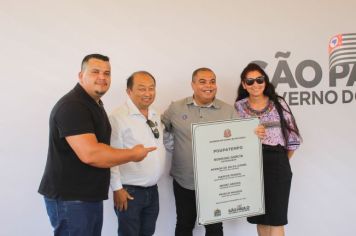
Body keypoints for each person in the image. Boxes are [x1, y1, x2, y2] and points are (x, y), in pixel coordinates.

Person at [38, 54, 156, 236]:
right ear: (81, 75)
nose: (102, 77)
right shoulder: (73, 106)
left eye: (107, 73)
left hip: (86, 197)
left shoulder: (94, 104)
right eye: (95, 72)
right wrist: (133, 154)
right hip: (71, 199)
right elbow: (91, 154)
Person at [161, 67, 265, 236]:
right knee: (184, 225)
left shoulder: (227, 110)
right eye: (202, 82)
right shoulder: (176, 108)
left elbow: (241, 139)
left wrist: (255, 133)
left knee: (215, 228)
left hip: (217, 182)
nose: (208, 86)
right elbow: (158, 127)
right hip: (184, 180)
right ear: (193, 85)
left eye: (212, 81)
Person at [234, 63, 301, 236]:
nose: (255, 84)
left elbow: (293, 138)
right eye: (250, 81)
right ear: (243, 84)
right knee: (260, 217)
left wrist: (281, 161)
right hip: (249, 165)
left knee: (276, 218)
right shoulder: (238, 107)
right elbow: (233, 138)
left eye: (259, 79)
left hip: (277, 161)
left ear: (265, 81)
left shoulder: (278, 103)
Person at [109, 71, 166, 236]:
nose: (148, 93)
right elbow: (111, 155)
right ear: (129, 91)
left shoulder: (155, 113)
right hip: (129, 193)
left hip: (152, 191)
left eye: (151, 88)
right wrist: (117, 188)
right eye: (141, 89)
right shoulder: (118, 117)